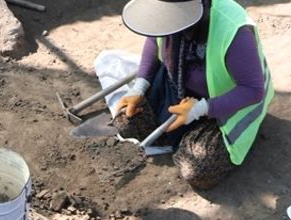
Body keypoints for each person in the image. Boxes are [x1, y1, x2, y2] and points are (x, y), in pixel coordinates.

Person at [115, 0, 273, 189]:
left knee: (196, 170)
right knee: (127, 121)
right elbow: (154, 41)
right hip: (177, 86)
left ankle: (192, 134)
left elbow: (253, 91)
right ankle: (180, 134)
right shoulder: (164, 13)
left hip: (225, 104)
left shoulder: (233, 30)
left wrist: (201, 109)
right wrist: (139, 86)